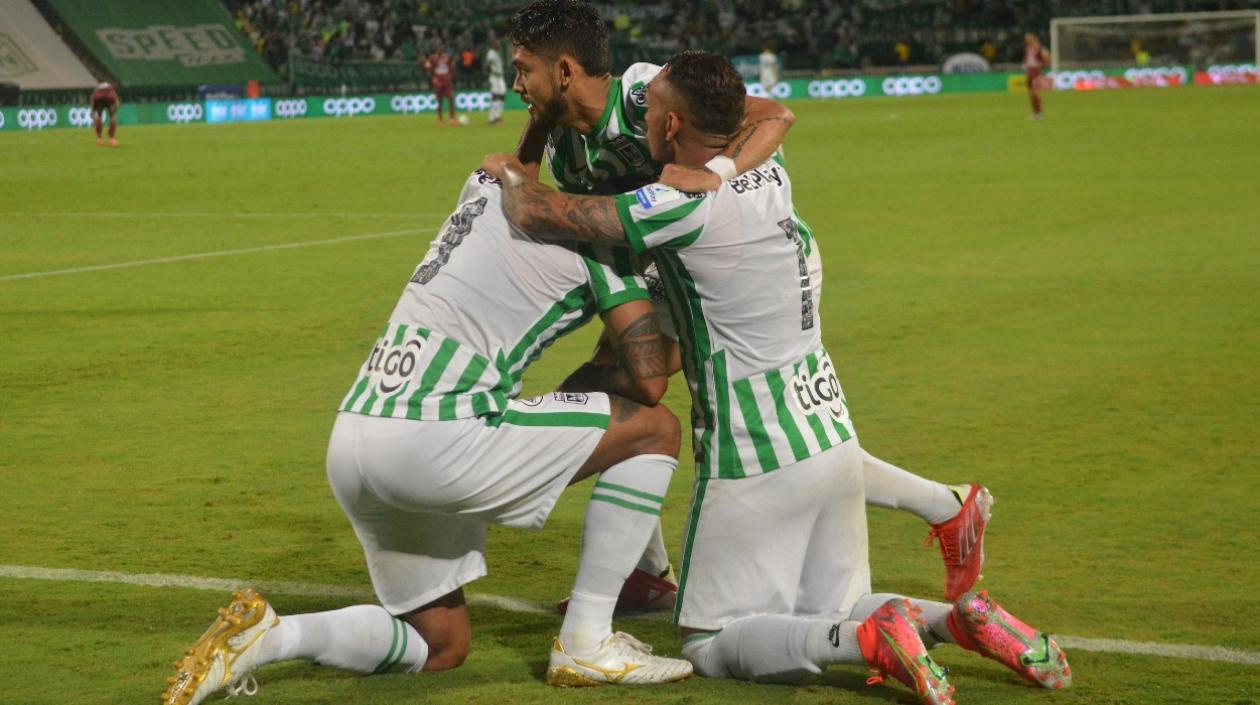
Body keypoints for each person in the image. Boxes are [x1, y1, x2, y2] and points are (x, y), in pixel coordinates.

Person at [482, 49, 1071, 705]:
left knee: (708, 641)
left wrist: (508, 174)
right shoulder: (768, 169)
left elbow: (542, 214)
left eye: (653, 112)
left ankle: (871, 639)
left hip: (753, 451)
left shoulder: (670, 204)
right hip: (831, 431)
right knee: (838, 602)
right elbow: (771, 122)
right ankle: (957, 619)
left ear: (671, 126)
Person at [504, 0, 996, 614]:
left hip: (741, 257)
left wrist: (719, 170)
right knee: (665, 396)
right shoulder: (568, 152)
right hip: (684, 261)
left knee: (677, 400)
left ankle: (635, 561)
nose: (513, 83)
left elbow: (773, 115)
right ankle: (946, 506)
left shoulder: (639, 96)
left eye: (524, 69)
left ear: (567, 70)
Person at [159, 168, 697, 705]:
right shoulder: (603, 247)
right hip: (434, 440)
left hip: (355, 436)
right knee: (655, 430)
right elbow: (648, 380)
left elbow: (510, 158)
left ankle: (269, 637)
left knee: (440, 644)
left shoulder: (488, 194)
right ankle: (587, 640)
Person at [424, 41, 457, 125]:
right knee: (439, 101)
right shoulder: (432, 57)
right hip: (438, 81)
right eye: (438, 48)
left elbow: (452, 65)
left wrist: (451, 75)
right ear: (436, 49)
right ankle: (440, 119)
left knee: (451, 98)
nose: (440, 50)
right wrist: (432, 74)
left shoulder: (447, 57)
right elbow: (427, 66)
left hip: (446, 80)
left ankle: (452, 118)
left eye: (441, 48)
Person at [1024, 33, 1051, 120]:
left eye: (1028, 38)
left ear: (1033, 38)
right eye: (1026, 38)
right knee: (1031, 93)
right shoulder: (1028, 48)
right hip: (1030, 71)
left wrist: (1041, 65)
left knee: (1035, 92)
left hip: (1036, 72)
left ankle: (1039, 113)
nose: (1026, 40)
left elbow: (1047, 58)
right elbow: (1028, 60)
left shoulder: (1039, 48)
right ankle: (1035, 113)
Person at [486, 34, 506, 125]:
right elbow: (487, 65)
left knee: (502, 95)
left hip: (500, 77)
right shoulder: (491, 53)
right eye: (497, 44)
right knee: (495, 96)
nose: (499, 45)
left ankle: (497, 116)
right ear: (493, 45)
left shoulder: (497, 53)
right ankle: (491, 118)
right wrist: (493, 72)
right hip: (494, 77)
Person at [90, 81, 119, 147]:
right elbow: (116, 101)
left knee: (99, 116)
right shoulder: (111, 88)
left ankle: (99, 139)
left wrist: (92, 112)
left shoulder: (97, 88)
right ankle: (111, 139)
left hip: (97, 96)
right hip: (110, 95)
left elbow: (93, 99)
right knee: (112, 116)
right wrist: (114, 110)